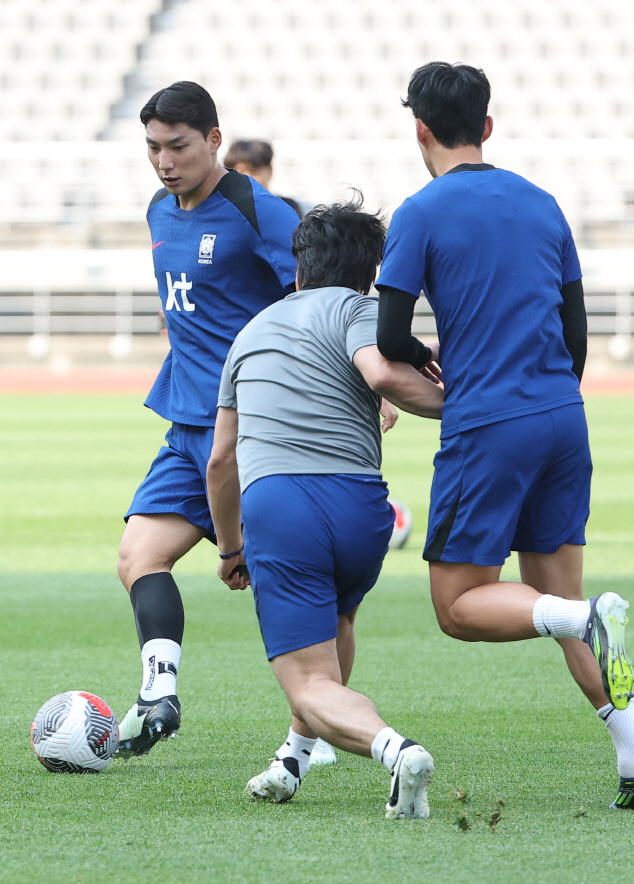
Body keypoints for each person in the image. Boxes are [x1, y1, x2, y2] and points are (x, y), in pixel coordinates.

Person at [375, 62, 634, 810]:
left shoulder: (419, 211)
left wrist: (433, 362)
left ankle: (582, 615)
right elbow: (575, 335)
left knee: (457, 606)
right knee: (557, 596)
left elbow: (389, 334)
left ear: (419, 129)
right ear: (488, 126)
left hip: (490, 423)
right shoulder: (543, 204)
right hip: (563, 418)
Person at [206, 199, 444, 818]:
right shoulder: (361, 308)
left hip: (283, 507)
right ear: (370, 271)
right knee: (335, 628)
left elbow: (221, 461)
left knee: (310, 683)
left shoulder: (252, 330)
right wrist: (466, 400)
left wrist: (231, 548)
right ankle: (293, 758)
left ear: (300, 263)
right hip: (364, 509)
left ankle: (395, 751)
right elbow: (381, 377)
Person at [115, 80, 305, 760]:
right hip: (185, 421)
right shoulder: (158, 214)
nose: (165, 162)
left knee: (281, 581)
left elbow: (322, 301)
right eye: (153, 148)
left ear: (214, 141)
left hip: (256, 426)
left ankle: (312, 725)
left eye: (179, 146)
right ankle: (159, 694)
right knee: (139, 557)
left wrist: (366, 387)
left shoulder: (262, 212)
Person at [224, 138, 307, 219]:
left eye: (254, 171)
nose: (248, 177)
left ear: (270, 170)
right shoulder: (222, 209)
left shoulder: (288, 207)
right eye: (240, 172)